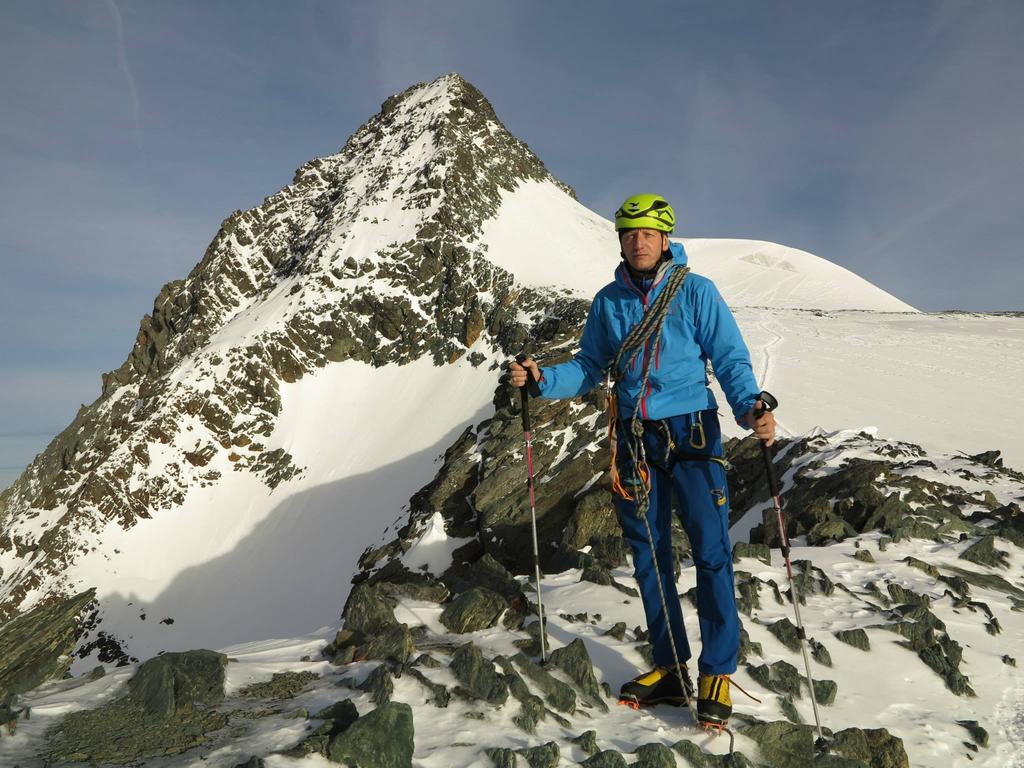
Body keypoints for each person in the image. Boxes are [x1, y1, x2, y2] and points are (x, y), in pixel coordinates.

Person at [509, 193, 776, 731]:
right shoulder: (609, 302)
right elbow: (589, 367)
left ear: (665, 238)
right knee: (650, 557)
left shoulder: (696, 292)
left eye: (647, 233)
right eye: (629, 234)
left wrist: (750, 408)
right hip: (635, 439)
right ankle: (671, 666)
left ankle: (716, 670)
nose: (638, 242)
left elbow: (728, 358)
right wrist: (543, 380)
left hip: (694, 429)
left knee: (711, 551)